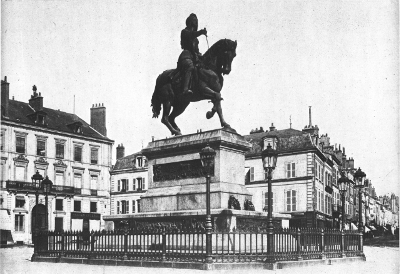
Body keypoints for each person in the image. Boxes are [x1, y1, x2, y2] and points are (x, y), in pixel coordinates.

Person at [178, 13, 207, 96]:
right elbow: (191, 35)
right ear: (190, 22)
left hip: (194, 56)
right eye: (194, 21)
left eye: (196, 21)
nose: (196, 23)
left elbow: (197, 50)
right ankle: (185, 89)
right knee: (190, 66)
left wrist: (201, 56)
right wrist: (201, 32)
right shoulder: (184, 32)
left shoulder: (196, 39)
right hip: (186, 56)